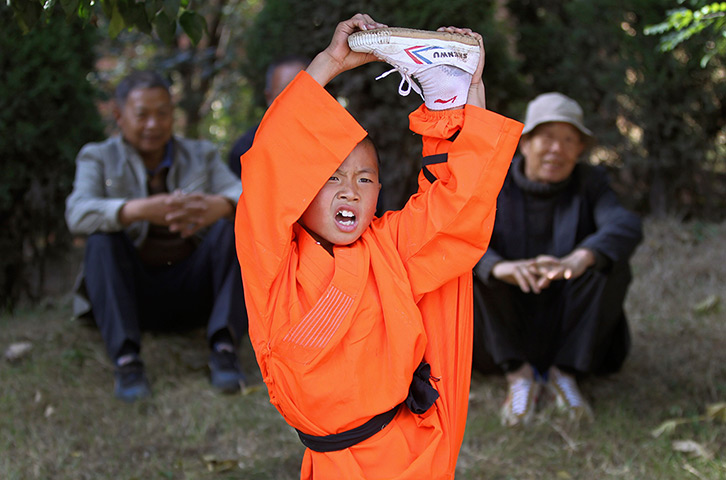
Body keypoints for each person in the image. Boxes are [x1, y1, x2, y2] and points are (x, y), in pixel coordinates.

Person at [234, 13, 522, 479]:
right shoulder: (275, 264)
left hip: (408, 448)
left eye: (364, 179)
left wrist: (465, 90)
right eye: (331, 178)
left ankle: (444, 93)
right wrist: (329, 63)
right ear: (300, 190)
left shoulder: (387, 246)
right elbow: (269, 170)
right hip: (335, 459)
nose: (350, 191)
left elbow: (456, 208)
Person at [65, 70, 247, 402]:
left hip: (195, 290)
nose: (154, 124)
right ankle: (126, 359)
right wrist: (135, 210)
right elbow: (77, 213)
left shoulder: (201, 154)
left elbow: (245, 194)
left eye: (162, 113)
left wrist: (220, 205)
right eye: (142, 115)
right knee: (101, 239)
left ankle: (224, 346)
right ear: (119, 116)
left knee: (235, 225)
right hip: (133, 295)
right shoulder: (97, 156)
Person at [471, 92, 643, 427]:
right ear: (524, 144)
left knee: (609, 261)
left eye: (568, 140)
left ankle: (563, 375)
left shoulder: (590, 182)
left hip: (570, 324)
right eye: (547, 137)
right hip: (504, 325)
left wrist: (581, 257)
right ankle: (518, 376)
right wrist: (499, 267)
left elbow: (625, 224)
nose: (556, 149)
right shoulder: (494, 180)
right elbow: (459, 237)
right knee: (475, 268)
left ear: (580, 150)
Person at [227, 55, 310, 177]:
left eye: (303, 91)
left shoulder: (337, 140)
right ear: (269, 98)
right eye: (285, 93)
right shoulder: (246, 150)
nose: (295, 100)